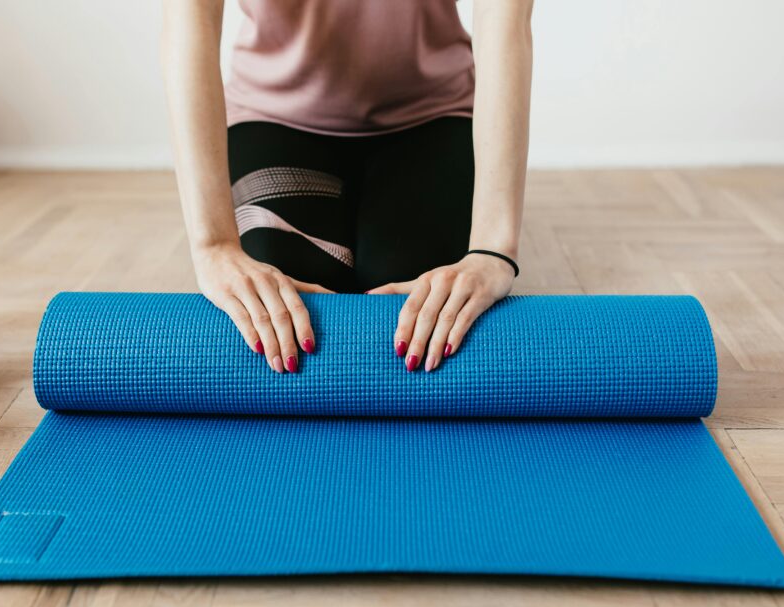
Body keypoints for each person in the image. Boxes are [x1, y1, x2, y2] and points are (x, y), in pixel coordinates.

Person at [161, 0, 533, 374]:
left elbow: (503, 19)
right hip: (274, 116)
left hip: (432, 113)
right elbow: (188, 22)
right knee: (286, 297)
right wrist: (214, 246)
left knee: (412, 304)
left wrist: (492, 251)